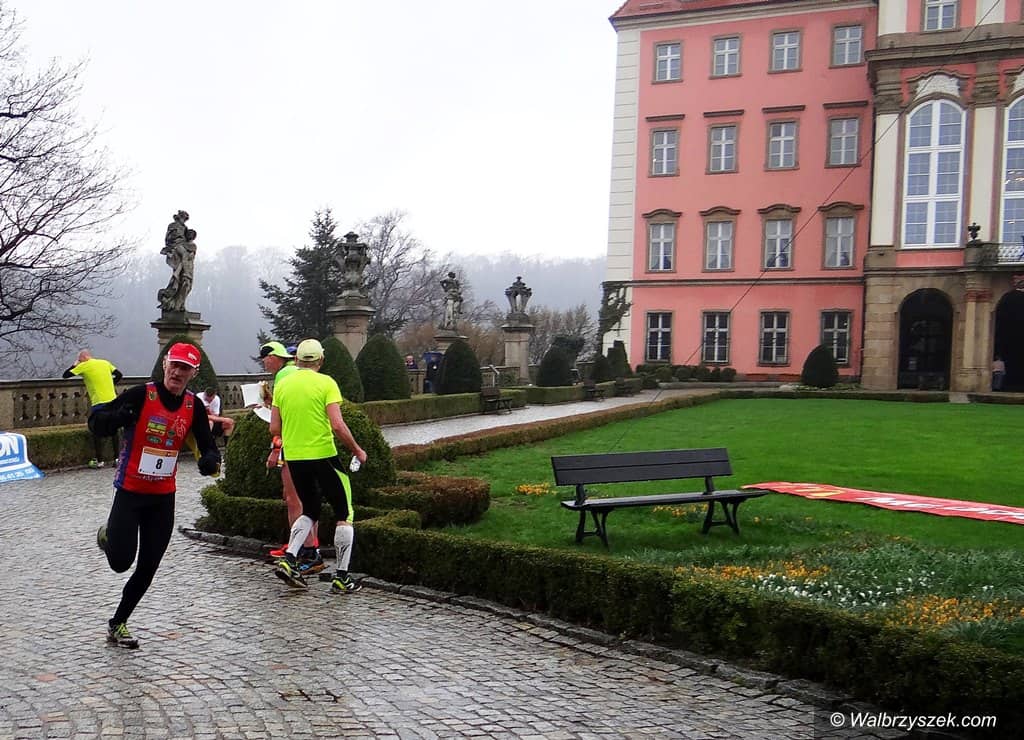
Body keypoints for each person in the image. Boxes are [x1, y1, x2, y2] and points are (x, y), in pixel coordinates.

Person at [91, 342, 220, 649]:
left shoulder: (193, 406)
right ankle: (107, 537)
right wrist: (118, 418)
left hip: (162, 498)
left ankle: (118, 622)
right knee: (121, 562)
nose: (177, 372)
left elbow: (208, 445)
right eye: (174, 365)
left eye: (185, 368)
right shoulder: (141, 395)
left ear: (193, 373)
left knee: (148, 566)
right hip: (130, 493)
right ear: (165, 365)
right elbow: (97, 423)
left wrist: (209, 460)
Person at [269, 338, 367, 594]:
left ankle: (290, 558)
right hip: (324, 455)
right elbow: (337, 425)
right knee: (344, 514)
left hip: (295, 457)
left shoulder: (283, 384)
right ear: (321, 360)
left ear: (297, 359)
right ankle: (342, 576)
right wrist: (357, 450)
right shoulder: (327, 383)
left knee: (310, 509)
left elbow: (274, 427)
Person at [259, 341, 322, 573]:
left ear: (274, 357)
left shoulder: (284, 377)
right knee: (305, 497)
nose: (264, 363)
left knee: (294, 499)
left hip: (293, 444)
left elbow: (280, 422)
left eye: (265, 358)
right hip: (313, 443)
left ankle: (305, 549)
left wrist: (276, 449)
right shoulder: (302, 375)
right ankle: (305, 545)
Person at [63, 349, 123, 468]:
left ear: (83, 358)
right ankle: (117, 459)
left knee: (96, 430)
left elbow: (65, 375)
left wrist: (74, 365)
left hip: (99, 402)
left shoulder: (84, 366)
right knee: (114, 430)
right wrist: (111, 384)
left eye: (79, 359)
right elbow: (119, 375)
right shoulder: (105, 363)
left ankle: (100, 461)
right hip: (113, 401)